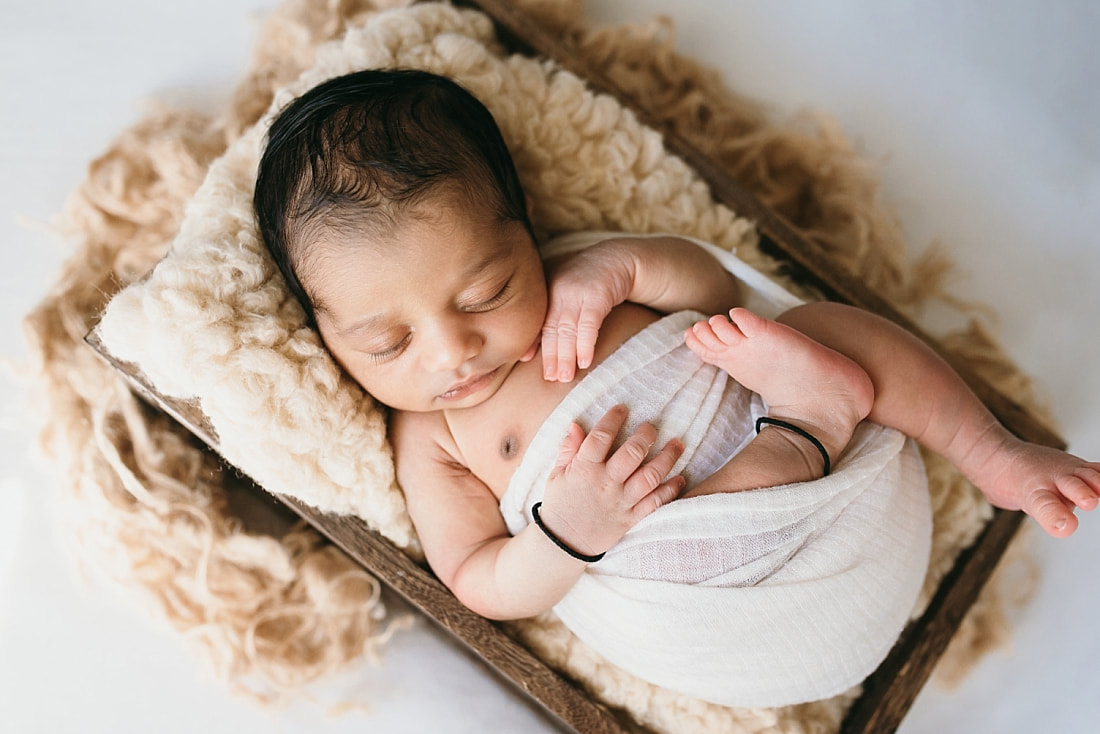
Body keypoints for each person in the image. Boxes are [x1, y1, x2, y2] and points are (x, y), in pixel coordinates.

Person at [253, 68, 1099, 625]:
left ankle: (988, 450)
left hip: (791, 439)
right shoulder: (427, 436)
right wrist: (564, 538)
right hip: (688, 557)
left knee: (821, 331)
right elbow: (477, 579)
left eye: (487, 292)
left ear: (525, 231)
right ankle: (809, 427)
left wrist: (622, 269)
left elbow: (717, 298)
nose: (453, 351)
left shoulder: (576, 276)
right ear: (325, 336)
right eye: (386, 341)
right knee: (666, 562)